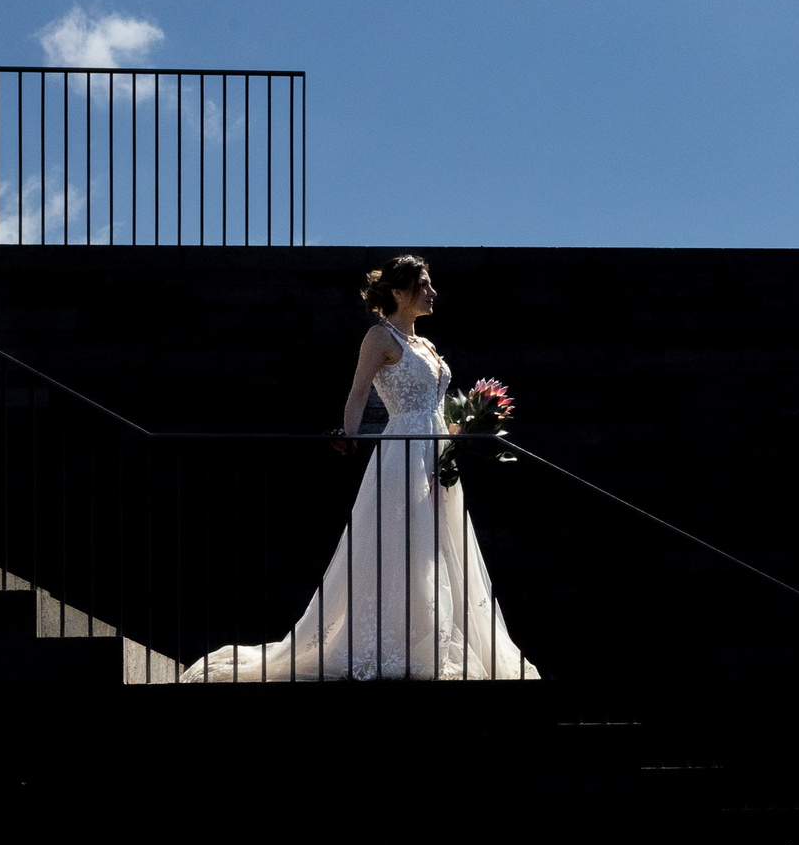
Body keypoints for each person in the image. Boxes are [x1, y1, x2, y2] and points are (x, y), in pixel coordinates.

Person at [180, 255, 537, 682]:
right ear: (399, 292)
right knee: (400, 543)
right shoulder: (379, 337)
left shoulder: (428, 345)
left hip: (437, 455)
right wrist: (348, 434)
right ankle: (396, 644)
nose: (433, 292)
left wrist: (470, 426)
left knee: (436, 548)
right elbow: (358, 393)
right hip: (403, 452)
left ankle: (432, 639)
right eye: (424, 284)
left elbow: (436, 408)